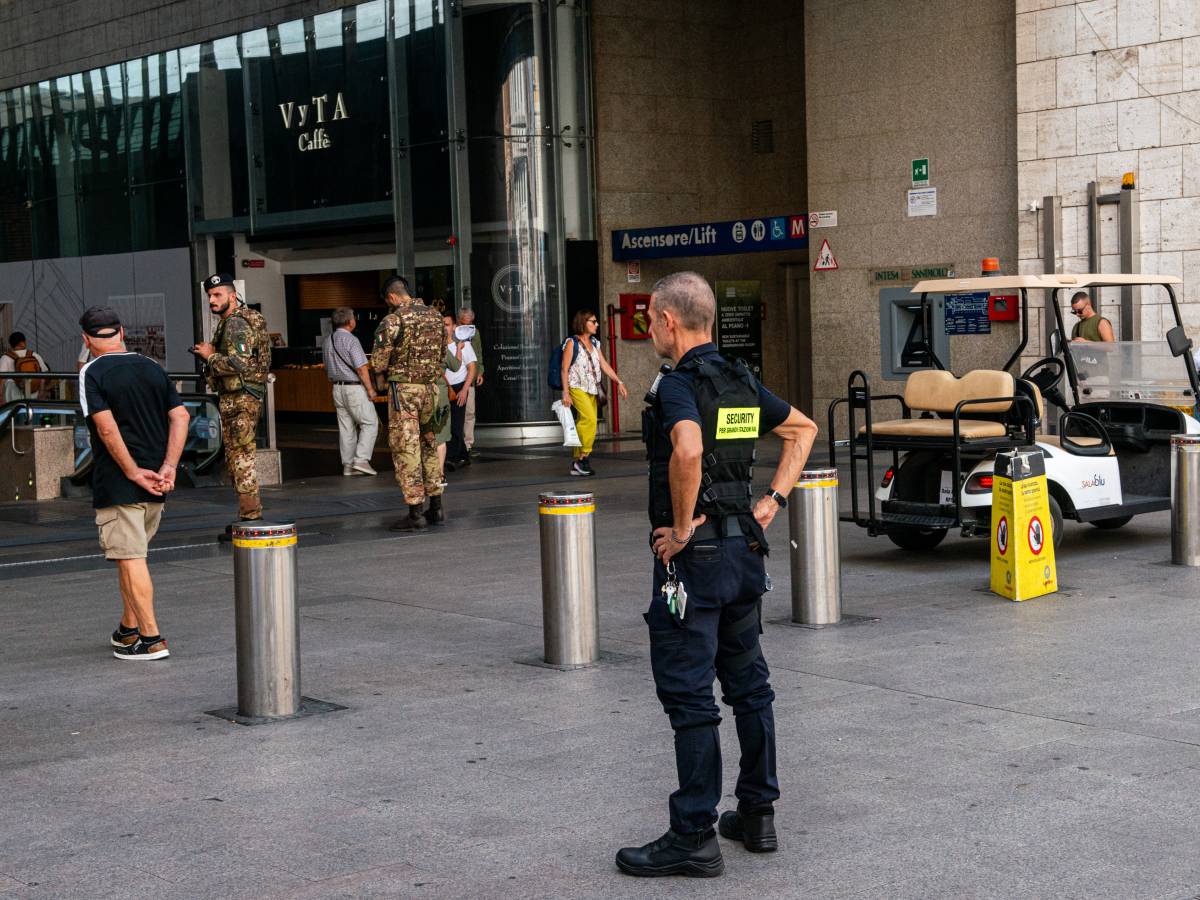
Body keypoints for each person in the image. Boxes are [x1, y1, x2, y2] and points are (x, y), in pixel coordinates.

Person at [615, 271, 818, 879]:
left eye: (652, 319)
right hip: (743, 555)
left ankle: (693, 835)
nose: (651, 328)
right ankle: (757, 814)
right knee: (749, 686)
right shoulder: (739, 379)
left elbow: (687, 449)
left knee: (690, 698)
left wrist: (679, 530)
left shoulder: (678, 385)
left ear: (669, 321)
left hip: (697, 561)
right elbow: (802, 430)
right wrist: (772, 501)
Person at [78, 306, 189, 661]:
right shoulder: (152, 366)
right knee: (130, 557)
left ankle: (152, 639)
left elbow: (106, 428)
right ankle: (128, 629)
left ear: (86, 339)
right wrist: (169, 465)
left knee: (131, 557)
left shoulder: (91, 373)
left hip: (120, 481)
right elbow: (181, 415)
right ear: (121, 332)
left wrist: (130, 470)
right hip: (157, 480)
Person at [192, 273, 272, 535]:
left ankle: (250, 518)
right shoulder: (241, 319)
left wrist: (210, 355)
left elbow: (240, 363)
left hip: (240, 399)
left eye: (217, 295)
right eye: (210, 296)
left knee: (241, 456)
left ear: (232, 295)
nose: (212, 300)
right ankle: (249, 514)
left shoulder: (236, 323)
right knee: (239, 454)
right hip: (240, 397)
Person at [369, 275, 446, 531]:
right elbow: (443, 355)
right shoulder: (436, 316)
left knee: (406, 447)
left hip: (404, 391)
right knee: (429, 443)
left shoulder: (393, 320)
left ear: (392, 297)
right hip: (431, 389)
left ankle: (415, 513)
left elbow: (378, 362)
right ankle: (436, 506)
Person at [560, 309, 627, 477]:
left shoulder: (595, 343)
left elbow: (604, 365)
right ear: (584, 323)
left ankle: (577, 461)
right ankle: (584, 457)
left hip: (592, 388)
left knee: (585, 421)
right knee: (589, 419)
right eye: (593, 321)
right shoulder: (571, 343)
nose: (597, 324)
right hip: (576, 387)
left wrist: (618, 381)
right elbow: (564, 369)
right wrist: (566, 393)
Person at [323, 307, 380, 476]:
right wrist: (370, 389)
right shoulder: (351, 341)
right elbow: (361, 368)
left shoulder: (328, 340)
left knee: (346, 427)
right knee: (370, 422)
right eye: (354, 318)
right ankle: (361, 459)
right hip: (354, 388)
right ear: (350, 322)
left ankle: (348, 465)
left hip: (337, 388)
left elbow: (326, 368)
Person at [444, 320, 477, 471]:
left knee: (456, 424)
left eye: (447, 324)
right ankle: (464, 455)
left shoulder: (464, 345)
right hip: (444, 387)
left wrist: (464, 390)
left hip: (459, 387)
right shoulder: (439, 346)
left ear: (454, 327)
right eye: (442, 324)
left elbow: (472, 368)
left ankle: (452, 457)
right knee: (446, 424)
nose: (445, 327)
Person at [437, 315, 464, 483]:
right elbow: (455, 366)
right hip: (439, 394)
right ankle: (439, 474)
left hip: (419, 394)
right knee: (441, 436)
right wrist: (459, 349)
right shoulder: (441, 348)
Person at [457, 308, 485, 457]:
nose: (468, 324)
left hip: (470, 376)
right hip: (455, 377)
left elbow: (478, 353)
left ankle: (468, 445)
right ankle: (456, 444)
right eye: (464, 321)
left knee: (470, 412)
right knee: (456, 413)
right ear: (459, 320)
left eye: (470, 321)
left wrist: (480, 371)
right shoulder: (453, 331)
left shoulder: (475, 332)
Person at [1, 331, 48, 403]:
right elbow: (43, 376)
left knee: (14, 413)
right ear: (23, 342)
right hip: (33, 394)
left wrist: (1, 396)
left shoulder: (5, 357)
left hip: (13, 395)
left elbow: (2, 379)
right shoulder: (34, 355)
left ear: (11, 344)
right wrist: (41, 392)